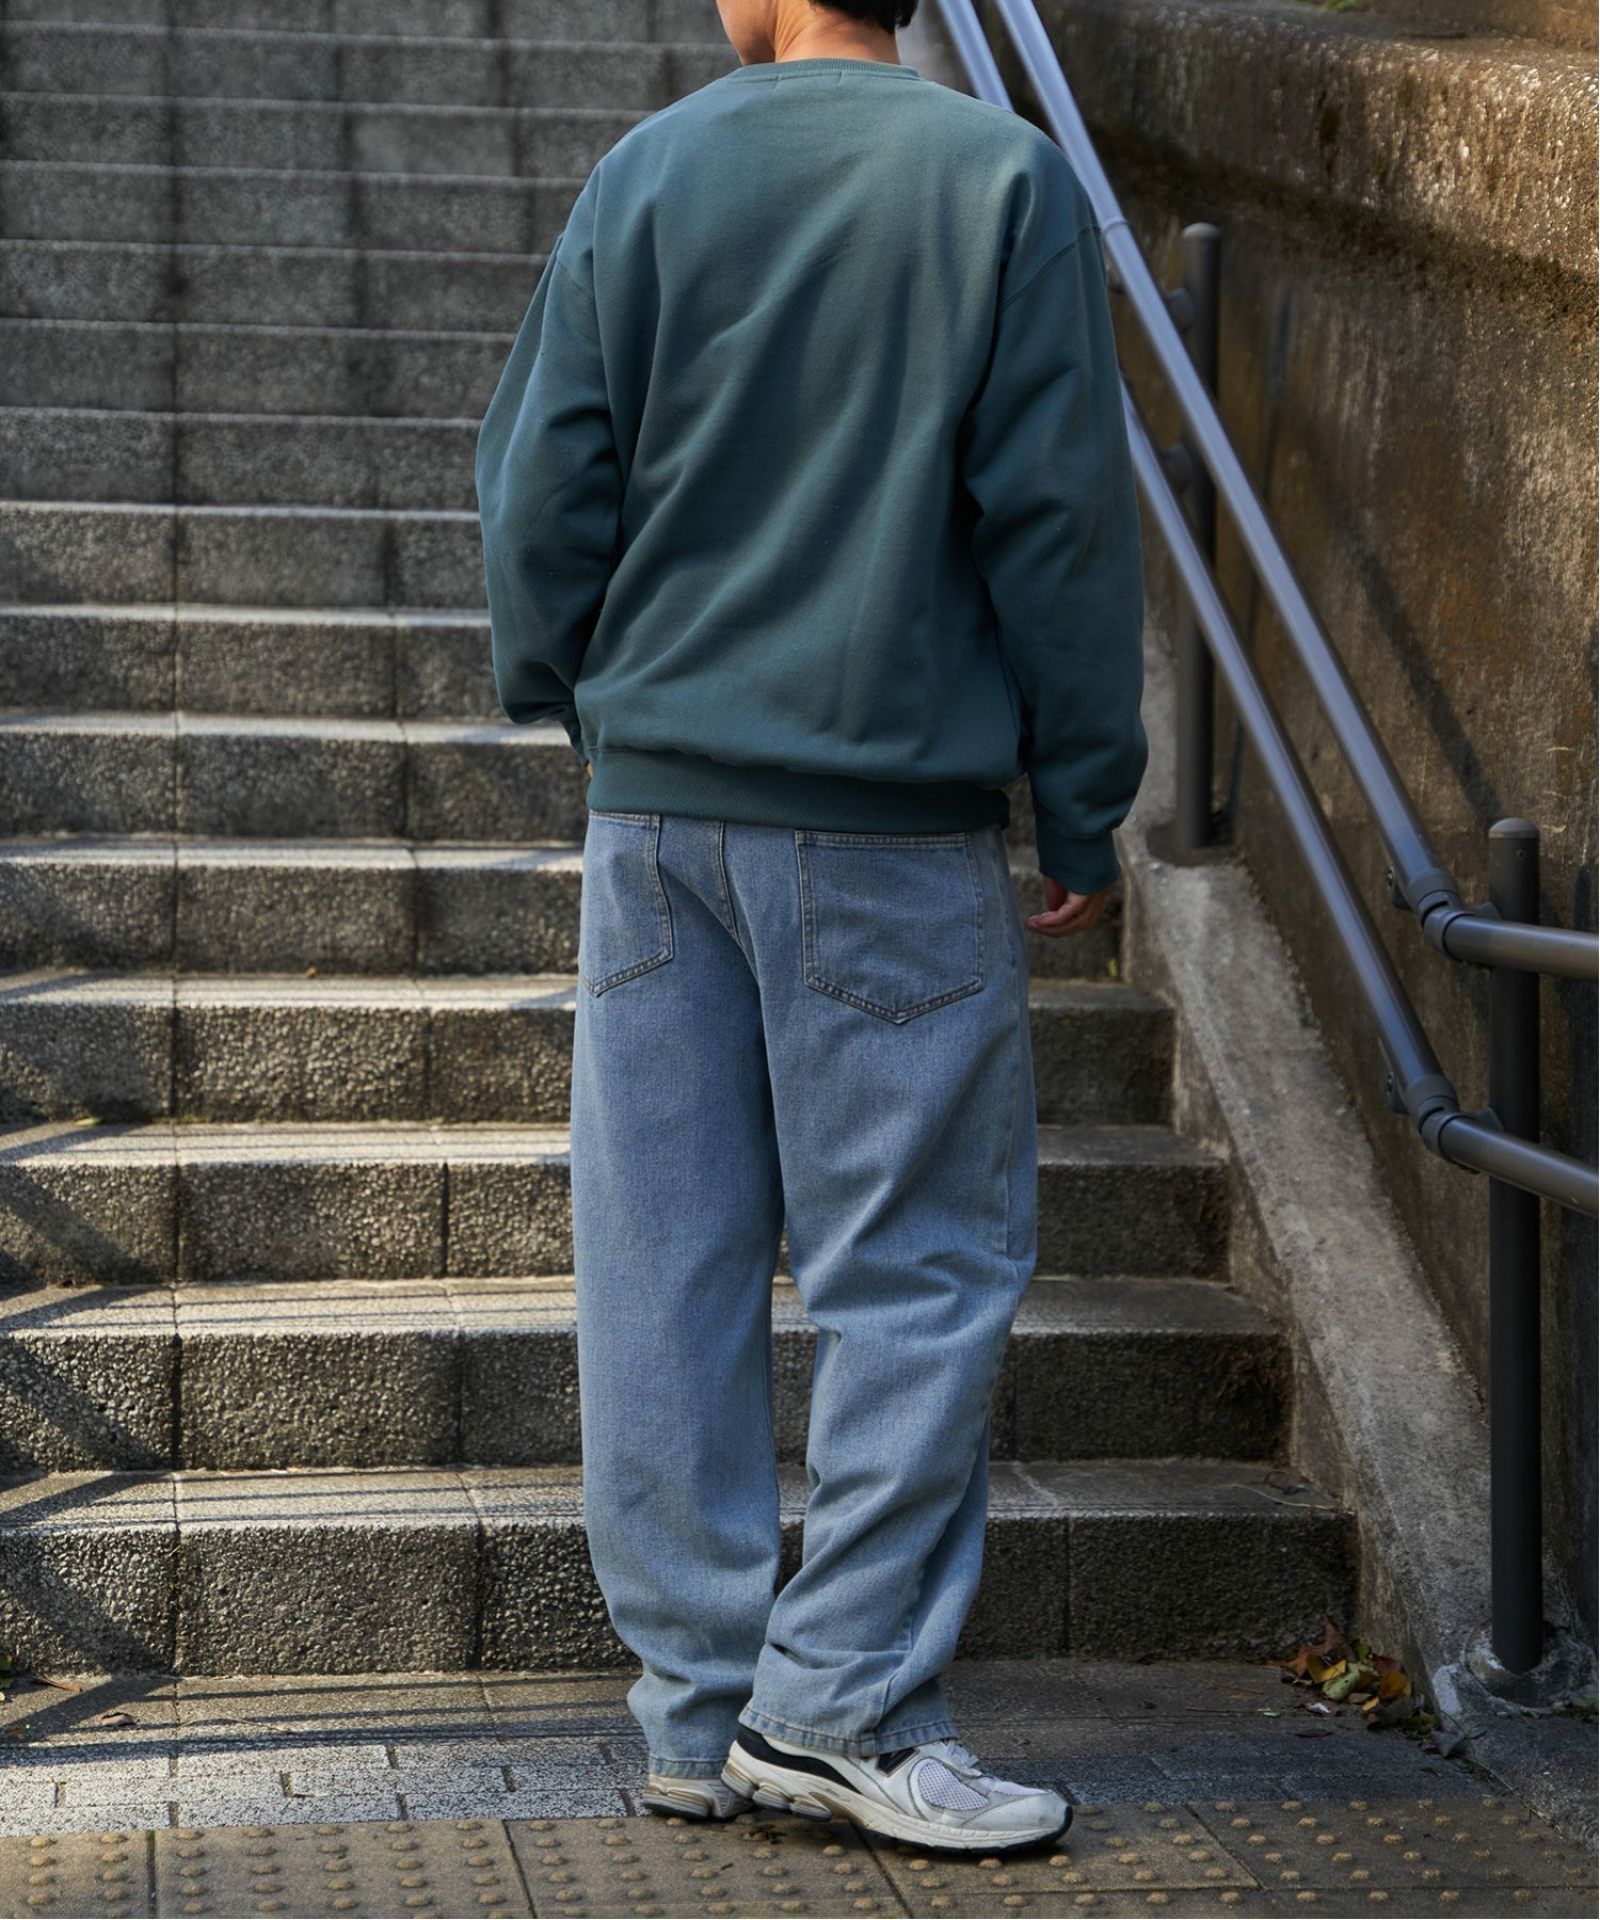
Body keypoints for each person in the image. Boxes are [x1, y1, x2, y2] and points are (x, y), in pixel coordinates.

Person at [475, 0, 1145, 1856]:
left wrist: (577, 693)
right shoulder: (1000, 179)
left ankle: (703, 1714)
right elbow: (1060, 522)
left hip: (657, 824)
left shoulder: (648, 173)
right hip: (887, 819)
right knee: (913, 1270)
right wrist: (1085, 796)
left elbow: (542, 488)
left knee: (661, 1264)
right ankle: (839, 1698)